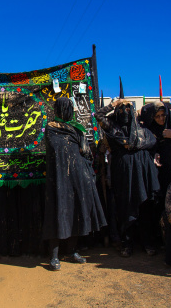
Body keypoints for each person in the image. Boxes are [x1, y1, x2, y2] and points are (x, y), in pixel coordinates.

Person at [42, 97, 107, 270]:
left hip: (78, 177)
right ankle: (54, 256)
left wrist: (80, 150)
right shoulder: (51, 128)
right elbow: (56, 148)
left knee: (75, 212)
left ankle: (72, 251)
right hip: (59, 178)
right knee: (57, 213)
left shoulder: (77, 128)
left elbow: (85, 151)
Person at [95, 98, 160, 257]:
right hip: (123, 175)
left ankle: (147, 242)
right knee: (125, 208)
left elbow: (152, 142)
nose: (125, 111)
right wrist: (113, 104)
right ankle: (127, 243)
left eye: (128, 108)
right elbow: (98, 115)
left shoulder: (142, 131)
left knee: (144, 207)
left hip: (142, 175)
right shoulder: (113, 129)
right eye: (121, 108)